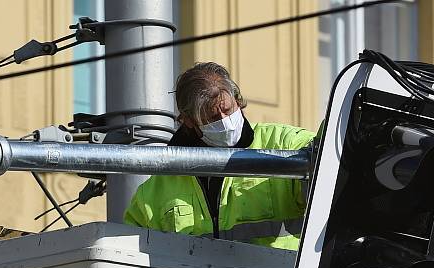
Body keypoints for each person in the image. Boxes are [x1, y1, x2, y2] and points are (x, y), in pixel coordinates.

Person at [124, 62, 316, 251]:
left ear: (238, 100)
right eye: (213, 117)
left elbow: (331, 155)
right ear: (189, 121)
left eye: (228, 109)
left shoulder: (284, 144)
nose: (225, 121)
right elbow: (129, 259)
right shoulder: (152, 194)